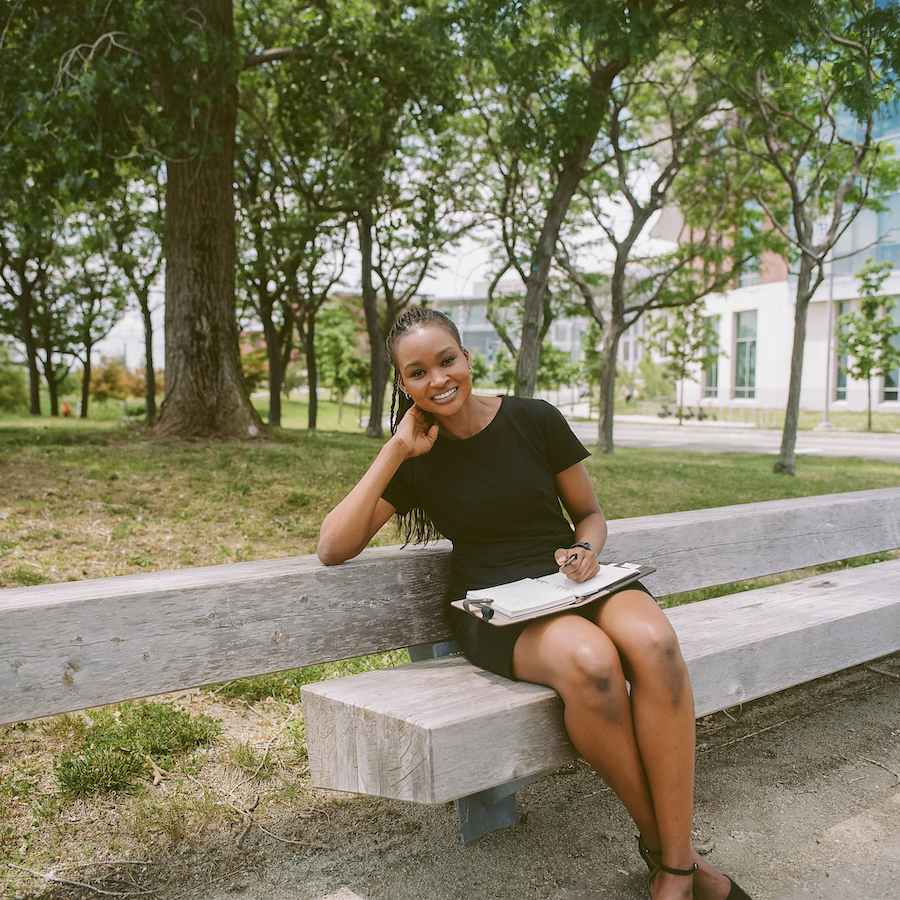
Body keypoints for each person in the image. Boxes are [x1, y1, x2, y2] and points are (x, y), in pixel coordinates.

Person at [317, 308, 752, 900]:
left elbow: (590, 515)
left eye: (447, 360)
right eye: (417, 372)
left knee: (653, 642)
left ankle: (674, 867)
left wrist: (584, 550)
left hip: (571, 578)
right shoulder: (417, 455)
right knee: (592, 663)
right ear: (402, 384)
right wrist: (395, 450)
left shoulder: (533, 419)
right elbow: (332, 547)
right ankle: (673, 862)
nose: (438, 379)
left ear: (467, 358)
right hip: (496, 604)